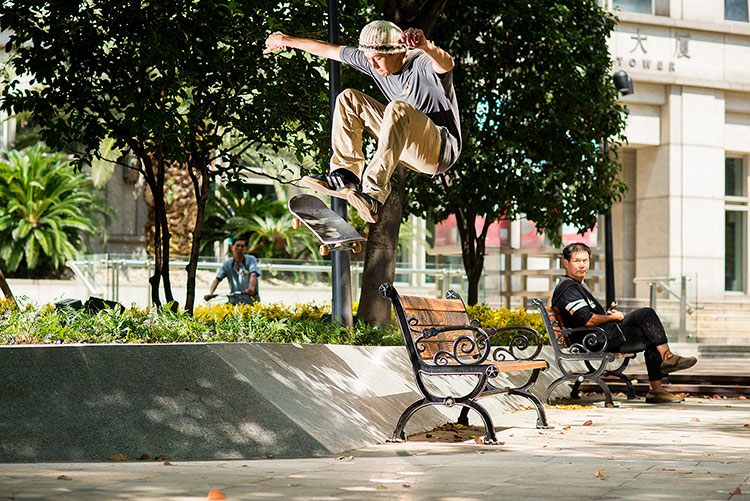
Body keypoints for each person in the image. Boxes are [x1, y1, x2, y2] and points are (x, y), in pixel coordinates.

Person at [264, 20, 461, 223]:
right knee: (348, 98)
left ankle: (373, 194)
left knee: (397, 108)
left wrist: (425, 46)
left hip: (440, 149)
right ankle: (345, 176)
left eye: (378, 59)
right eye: (369, 59)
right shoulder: (372, 61)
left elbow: (447, 63)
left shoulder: (420, 62)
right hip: (408, 144)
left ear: (398, 52)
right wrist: (284, 40)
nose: (373, 66)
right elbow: (329, 50)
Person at [552, 242, 697, 404]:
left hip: (600, 335)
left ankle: (657, 388)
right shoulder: (568, 288)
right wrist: (612, 318)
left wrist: (607, 315)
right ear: (566, 263)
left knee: (652, 335)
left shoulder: (578, 286)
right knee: (645, 314)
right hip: (594, 341)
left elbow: (587, 317)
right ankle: (667, 359)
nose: (582, 265)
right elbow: (588, 320)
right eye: (577, 261)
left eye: (585, 261)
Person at [204, 237, 260, 305]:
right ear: (232, 247)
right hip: (234, 300)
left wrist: (251, 288)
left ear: (245, 248)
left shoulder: (251, 260)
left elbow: (253, 274)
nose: (239, 248)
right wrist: (211, 293)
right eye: (237, 245)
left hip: (250, 300)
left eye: (242, 246)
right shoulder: (227, 264)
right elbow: (217, 279)